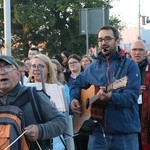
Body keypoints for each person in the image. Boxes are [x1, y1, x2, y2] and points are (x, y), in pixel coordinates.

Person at [70, 25, 141, 150]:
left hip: (124, 134)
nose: (103, 43)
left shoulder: (130, 65)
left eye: (107, 39)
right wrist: (74, 98)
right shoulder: (93, 67)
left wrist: (111, 97)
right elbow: (76, 83)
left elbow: (132, 97)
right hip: (97, 134)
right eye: (100, 40)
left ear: (117, 41)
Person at [0, 55, 67, 150]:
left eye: (7, 67)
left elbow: (61, 122)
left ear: (18, 74)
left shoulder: (34, 96)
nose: (2, 72)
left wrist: (40, 130)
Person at [130, 40, 150, 150]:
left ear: (146, 52)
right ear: (130, 51)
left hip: (146, 114)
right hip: (128, 112)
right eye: (134, 49)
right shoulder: (122, 69)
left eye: (140, 50)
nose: (137, 52)